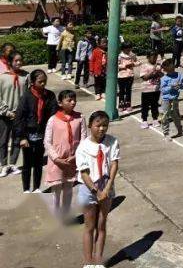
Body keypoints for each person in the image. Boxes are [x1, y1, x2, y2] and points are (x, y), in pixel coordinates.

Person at [76, 111, 119, 268]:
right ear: (90, 126)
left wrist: (107, 188)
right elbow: (84, 173)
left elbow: (114, 164)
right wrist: (97, 192)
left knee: (101, 224)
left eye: (105, 125)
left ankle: (98, 260)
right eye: (98, 125)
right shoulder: (83, 147)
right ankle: (88, 262)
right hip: (89, 189)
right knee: (89, 226)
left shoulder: (112, 142)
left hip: (106, 186)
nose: (101, 129)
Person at [15, 69, 55, 192]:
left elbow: (54, 113)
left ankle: (37, 187)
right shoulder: (26, 96)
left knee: (38, 163)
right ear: (33, 82)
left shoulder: (50, 95)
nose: (43, 84)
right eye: (40, 82)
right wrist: (21, 137)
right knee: (27, 163)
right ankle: (26, 188)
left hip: (42, 134)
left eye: (44, 81)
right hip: (28, 134)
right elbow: (19, 117)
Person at [45, 88, 84, 215]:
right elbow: (47, 142)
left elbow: (83, 140)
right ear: (60, 103)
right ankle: (56, 214)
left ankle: (65, 215)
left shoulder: (80, 118)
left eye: (74, 100)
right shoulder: (53, 120)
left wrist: (75, 156)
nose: (73, 102)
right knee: (56, 190)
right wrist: (56, 158)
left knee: (68, 188)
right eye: (69, 100)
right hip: (57, 162)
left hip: (72, 160)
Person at [1, 51, 26, 176]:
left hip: (19, 115)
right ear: (10, 62)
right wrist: (6, 112)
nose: (19, 62)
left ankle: (12, 163)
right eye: (16, 60)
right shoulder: (2, 77)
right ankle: (4, 165)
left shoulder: (25, 77)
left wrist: (22, 112)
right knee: (3, 141)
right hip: (4, 115)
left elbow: (27, 95)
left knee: (17, 140)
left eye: (20, 60)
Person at [159, 58, 183, 140]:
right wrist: (171, 87)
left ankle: (180, 130)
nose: (173, 67)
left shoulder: (179, 75)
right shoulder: (164, 79)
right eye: (170, 66)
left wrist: (180, 85)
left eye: (173, 65)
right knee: (165, 116)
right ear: (166, 69)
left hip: (175, 99)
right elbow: (163, 90)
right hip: (166, 100)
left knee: (176, 115)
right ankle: (166, 133)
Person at [137, 52, 162, 130]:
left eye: (156, 57)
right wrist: (153, 70)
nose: (154, 59)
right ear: (148, 57)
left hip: (156, 89)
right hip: (146, 89)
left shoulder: (159, 66)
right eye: (152, 57)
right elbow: (145, 77)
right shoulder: (144, 66)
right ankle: (144, 120)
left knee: (155, 105)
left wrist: (159, 72)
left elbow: (162, 75)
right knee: (145, 106)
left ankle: (155, 119)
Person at [117, 43, 137, 111]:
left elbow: (138, 62)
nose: (129, 50)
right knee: (121, 91)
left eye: (130, 48)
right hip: (121, 76)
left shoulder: (132, 55)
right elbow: (117, 65)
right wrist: (124, 66)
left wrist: (133, 64)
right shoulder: (120, 56)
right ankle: (121, 104)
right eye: (127, 48)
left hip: (130, 75)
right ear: (123, 49)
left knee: (128, 90)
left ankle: (128, 104)